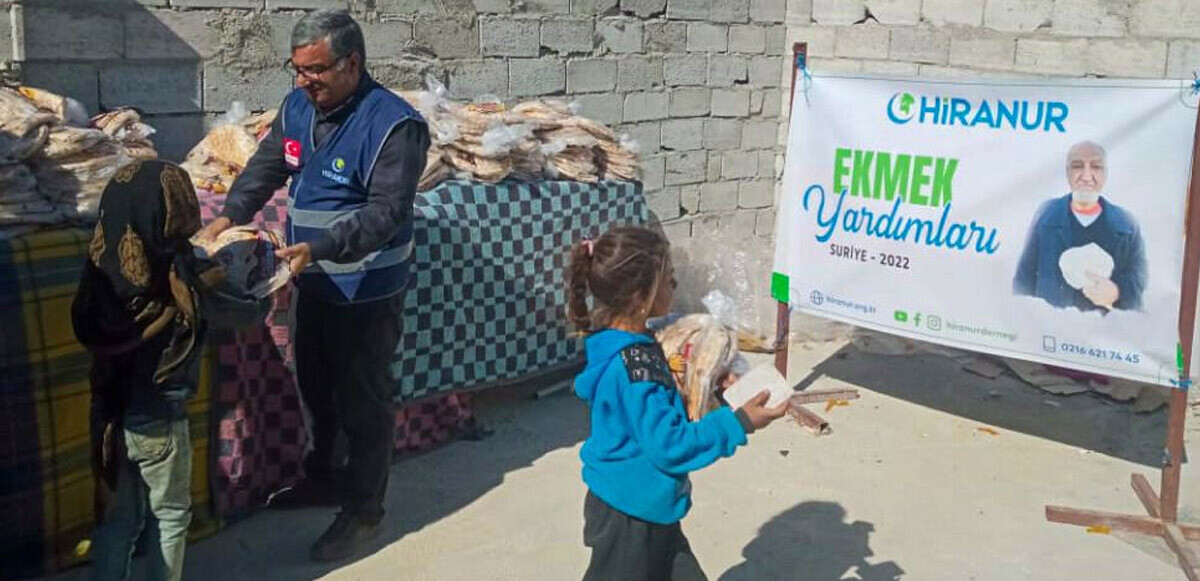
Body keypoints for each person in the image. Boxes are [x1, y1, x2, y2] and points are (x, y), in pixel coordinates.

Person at [196, 8, 430, 562]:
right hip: (313, 281)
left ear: (352, 63)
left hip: (366, 290)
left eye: (316, 70)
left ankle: (364, 512)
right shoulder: (299, 106)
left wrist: (319, 248)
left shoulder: (394, 126)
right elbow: (268, 164)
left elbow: (386, 213)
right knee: (318, 388)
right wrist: (230, 215)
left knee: (364, 400)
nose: (304, 81)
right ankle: (324, 476)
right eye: (297, 70)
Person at [566, 226, 789, 581]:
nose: (674, 287)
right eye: (669, 280)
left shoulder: (627, 342)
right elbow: (670, 445)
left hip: (648, 505)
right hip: (630, 517)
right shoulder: (634, 367)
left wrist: (713, 387)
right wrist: (739, 422)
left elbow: (662, 403)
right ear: (642, 295)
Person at [73, 160, 207, 581]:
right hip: (157, 418)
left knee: (117, 522)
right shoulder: (178, 274)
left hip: (108, 416)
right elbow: (237, 309)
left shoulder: (98, 277)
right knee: (170, 517)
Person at [1013, 141, 1147, 312]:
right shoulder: (1046, 214)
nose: (1086, 176)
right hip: (1049, 328)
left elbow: (1142, 278)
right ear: (1067, 172)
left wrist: (1117, 291)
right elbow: (1023, 279)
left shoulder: (1127, 224)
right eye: (1077, 166)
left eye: (1096, 167)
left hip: (1101, 333)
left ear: (1106, 173)